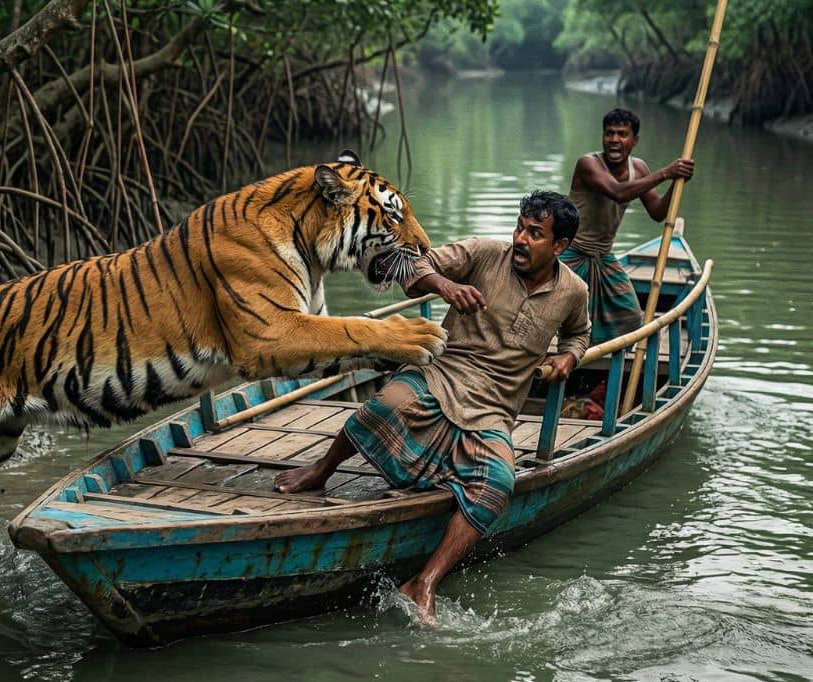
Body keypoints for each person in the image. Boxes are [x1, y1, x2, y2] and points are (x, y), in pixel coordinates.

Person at [273, 191, 591, 624]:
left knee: (498, 482)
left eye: (535, 234)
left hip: (494, 407)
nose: (520, 238)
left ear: (559, 247)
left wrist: (567, 358)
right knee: (384, 405)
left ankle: (424, 581)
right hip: (442, 372)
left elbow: (578, 333)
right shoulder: (483, 253)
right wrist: (445, 285)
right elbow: (411, 263)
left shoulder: (574, 291)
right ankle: (319, 471)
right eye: (519, 227)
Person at [565, 107, 695, 344]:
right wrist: (667, 172)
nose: (614, 140)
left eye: (622, 134)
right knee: (563, 316)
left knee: (631, 319)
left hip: (603, 257)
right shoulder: (588, 164)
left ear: (634, 140)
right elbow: (618, 193)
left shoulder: (640, 169)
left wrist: (677, 182)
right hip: (571, 254)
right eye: (609, 133)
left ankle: (602, 370)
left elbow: (657, 212)